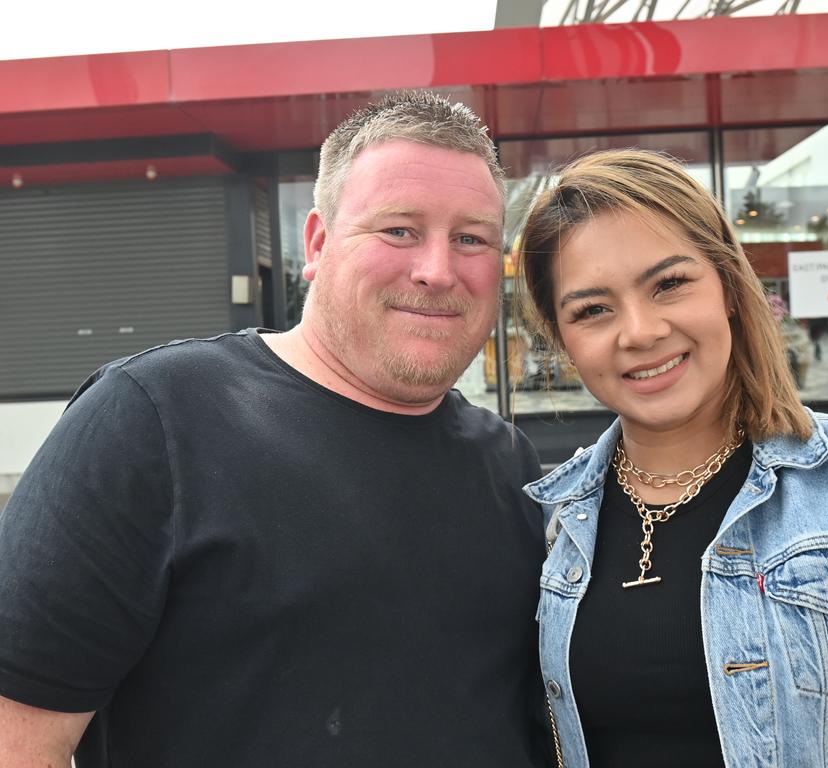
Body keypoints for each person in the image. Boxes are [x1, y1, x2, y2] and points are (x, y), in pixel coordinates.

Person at [0, 92, 550, 767]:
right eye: (399, 230)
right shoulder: (155, 420)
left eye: (470, 238)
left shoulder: (509, 463)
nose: (436, 270)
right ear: (317, 244)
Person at [516, 149, 828, 767]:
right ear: (564, 341)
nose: (640, 331)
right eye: (593, 310)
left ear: (728, 286)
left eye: (669, 284)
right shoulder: (555, 522)